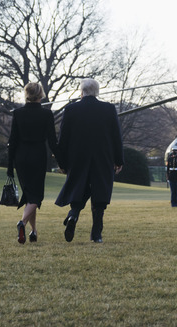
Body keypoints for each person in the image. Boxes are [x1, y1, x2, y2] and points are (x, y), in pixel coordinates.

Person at [54, 78, 124, 243]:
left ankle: (73, 215)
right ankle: (96, 234)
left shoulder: (71, 109)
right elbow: (116, 136)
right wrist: (119, 159)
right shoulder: (108, 109)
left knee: (79, 188)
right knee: (100, 193)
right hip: (103, 157)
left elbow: (63, 139)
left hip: (77, 158)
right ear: (97, 92)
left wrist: (62, 163)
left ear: (81, 92)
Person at [6, 82, 60, 244]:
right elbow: (52, 142)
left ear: (27, 94)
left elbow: (12, 141)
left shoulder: (18, 113)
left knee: (30, 195)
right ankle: (22, 223)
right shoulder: (46, 114)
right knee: (37, 196)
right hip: (38, 156)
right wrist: (61, 160)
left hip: (21, 158)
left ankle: (33, 231)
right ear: (41, 94)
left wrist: (9, 166)